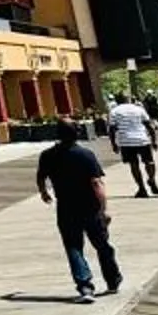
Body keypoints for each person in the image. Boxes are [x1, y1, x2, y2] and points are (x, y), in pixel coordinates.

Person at [37, 118, 123, 300]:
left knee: (73, 247)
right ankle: (113, 280)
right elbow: (96, 183)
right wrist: (104, 209)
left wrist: (44, 192)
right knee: (102, 245)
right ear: (77, 133)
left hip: (66, 207)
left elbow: (41, 176)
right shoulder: (85, 154)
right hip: (90, 206)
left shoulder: (47, 155)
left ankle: (85, 286)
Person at [106, 92, 158, 197]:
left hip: (126, 141)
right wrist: (154, 140)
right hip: (142, 139)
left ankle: (142, 188)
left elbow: (111, 129)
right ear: (129, 99)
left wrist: (114, 144)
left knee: (134, 165)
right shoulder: (139, 109)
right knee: (149, 161)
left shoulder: (114, 112)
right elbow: (149, 125)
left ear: (117, 100)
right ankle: (152, 179)